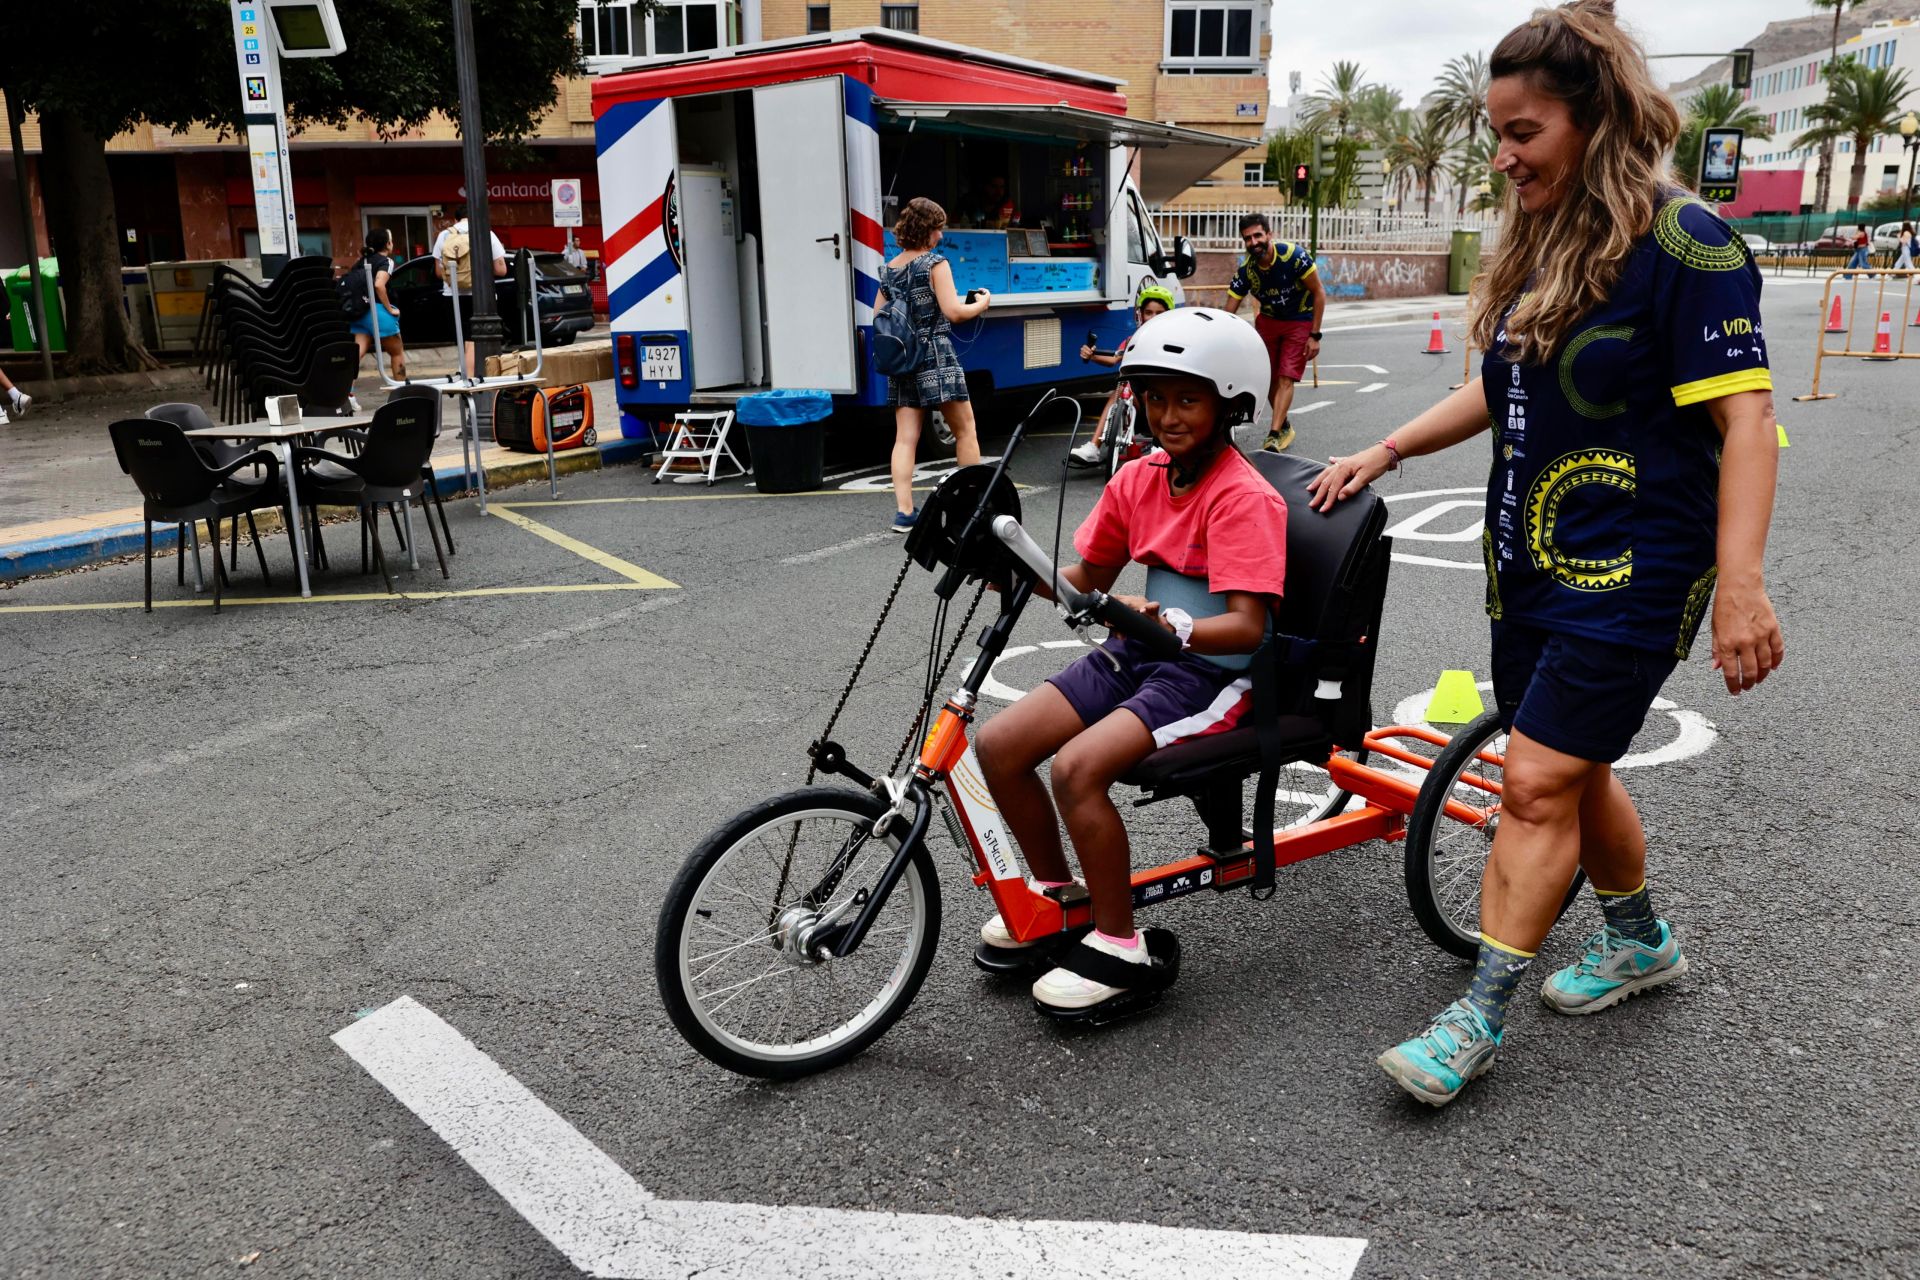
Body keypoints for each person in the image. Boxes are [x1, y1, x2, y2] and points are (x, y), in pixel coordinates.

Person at [1307, 0, 1785, 1108]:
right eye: (1496, 132)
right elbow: (1498, 382)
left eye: (1525, 131)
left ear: (1593, 117)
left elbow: (1748, 421)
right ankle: (1638, 938)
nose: (1506, 155)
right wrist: (1384, 446)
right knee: (1575, 761)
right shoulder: (1549, 242)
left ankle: (1473, 1016)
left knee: (1533, 783)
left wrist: (1744, 587)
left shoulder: (1688, 244)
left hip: (1638, 567)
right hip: (1528, 562)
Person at [974, 306, 1288, 1021]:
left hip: (1215, 673)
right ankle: (1064, 897)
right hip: (1138, 649)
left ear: (1229, 403)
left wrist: (1170, 622)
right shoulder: (1141, 477)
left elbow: (1246, 627)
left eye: (1188, 398)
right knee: (999, 743)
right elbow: (1086, 576)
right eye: (1155, 397)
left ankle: (1121, 945)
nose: (1167, 414)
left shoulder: (1243, 497)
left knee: (1078, 769)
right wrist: (1009, 565)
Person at [876, 197, 991, 533]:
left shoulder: (890, 269)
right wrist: (981, 304)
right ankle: (972, 504)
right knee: (965, 429)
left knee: (905, 438)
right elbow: (954, 312)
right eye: (938, 228)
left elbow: (878, 316)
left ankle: (904, 513)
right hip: (935, 355)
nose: (941, 235)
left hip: (902, 360)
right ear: (927, 230)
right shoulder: (934, 264)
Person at [1223, 213, 1326, 454]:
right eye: (1247, 238)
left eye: (1258, 235)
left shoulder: (1294, 256)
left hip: (1300, 320)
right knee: (1266, 377)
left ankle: (1272, 435)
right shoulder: (1247, 271)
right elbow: (1229, 311)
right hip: (1269, 322)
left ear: (1269, 235)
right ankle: (1284, 426)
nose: (1253, 242)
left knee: (1285, 376)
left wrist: (1315, 335)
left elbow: (1319, 292)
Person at [1069, 282, 1175, 467]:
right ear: (1140, 315)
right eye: (1148, 312)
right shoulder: (1133, 339)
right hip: (1139, 406)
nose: (1153, 317)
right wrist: (1092, 355)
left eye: (1159, 313)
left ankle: (1160, 445)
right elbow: (1113, 359)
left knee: (1153, 390)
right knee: (1120, 388)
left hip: (1163, 404)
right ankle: (1094, 447)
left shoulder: (1175, 340)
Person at [430, 203, 508, 378]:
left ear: (456, 219)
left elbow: (438, 271)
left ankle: (464, 369)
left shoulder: (444, 235)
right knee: (474, 340)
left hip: (453, 296)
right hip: (481, 296)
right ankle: (469, 377)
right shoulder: (486, 233)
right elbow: (501, 269)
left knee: (464, 338)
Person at [347, 228, 407, 381]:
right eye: (391, 240)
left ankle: (347, 392)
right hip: (378, 312)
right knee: (397, 352)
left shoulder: (360, 262)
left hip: (359, 313)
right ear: (388, 244)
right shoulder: (386, 261)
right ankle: (402, 392)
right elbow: (379, 285)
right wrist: (389, 309)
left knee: (357, 354)